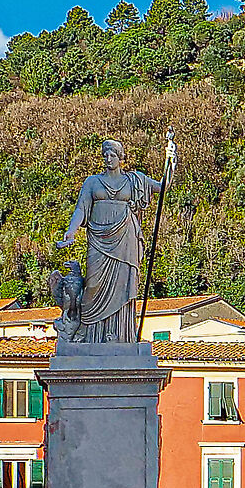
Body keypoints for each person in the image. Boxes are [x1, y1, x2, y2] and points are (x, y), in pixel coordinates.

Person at [53, 138, 160, 344]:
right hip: (98, 239)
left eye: (113, 155)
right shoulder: (92, 182)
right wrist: (71, 231)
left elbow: (162, 187)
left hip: (125, 238)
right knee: (93, 285)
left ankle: (121, 336)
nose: (108, 159)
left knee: (123, 283)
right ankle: (89, 336)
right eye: (106, 155)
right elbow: (81, 209)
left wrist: (170, 164)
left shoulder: (135, 180)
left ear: (121, 158)